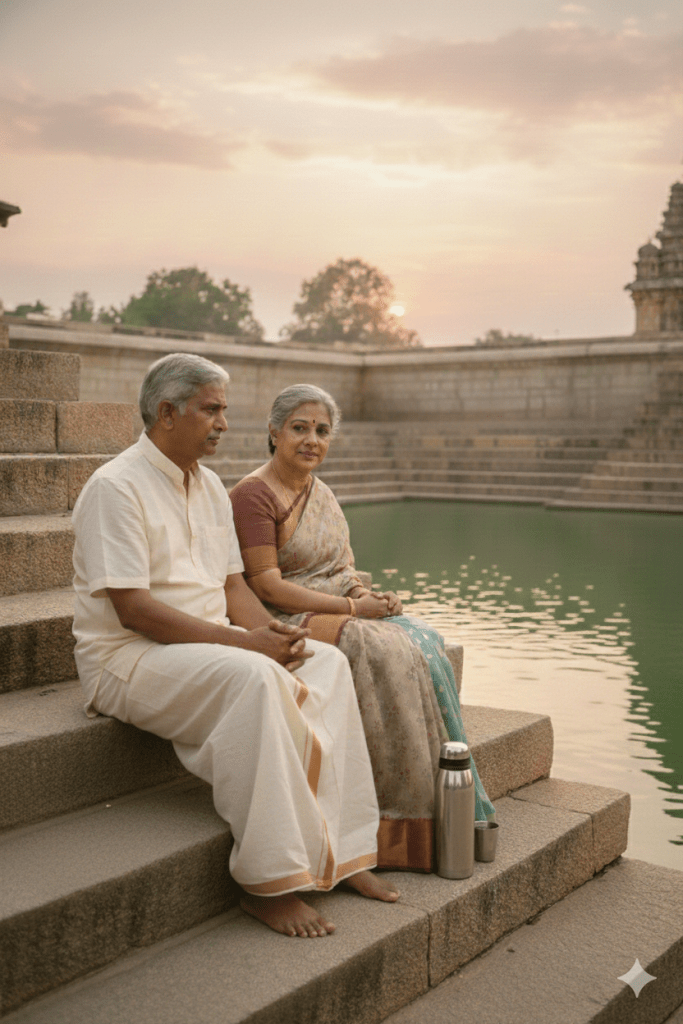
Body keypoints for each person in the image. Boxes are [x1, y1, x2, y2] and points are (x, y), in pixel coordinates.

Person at [71, 354, 398, 941]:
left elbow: (232, 588)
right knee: (254, 678)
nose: (224, 423)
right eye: (212, 409)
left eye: (225, 410)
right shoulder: (115, 487)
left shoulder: (211, 489)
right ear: (167, 412)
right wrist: (248, 646)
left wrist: (275, 638)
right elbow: (133, 610)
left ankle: (345, 856)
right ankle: (268, 882)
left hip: (205, 647)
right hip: (127, 658)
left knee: (324, 661)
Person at [230, 384, 495, 873]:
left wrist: (364, 595)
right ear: (273, 431)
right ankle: (396, 824)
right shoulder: (252, 495)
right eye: (300, 428)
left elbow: (341, 567)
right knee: (378, 648)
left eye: (322, 431)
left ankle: (443, 804)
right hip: (286, 615)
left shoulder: (320, 492)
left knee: (422, 637)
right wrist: (353, 611)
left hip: (333, 603)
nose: (312, 440)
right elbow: (266, 585)